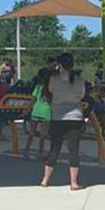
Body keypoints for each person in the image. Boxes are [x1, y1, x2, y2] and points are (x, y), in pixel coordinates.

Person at [40, 53, 85, 190]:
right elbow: (82, 96)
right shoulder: (80, 80)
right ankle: (74, 182)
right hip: (75, 117)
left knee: (54, 148)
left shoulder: (53, 79)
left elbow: (49, 91)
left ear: (59, 65)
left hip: (58, 117)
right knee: (74, 150)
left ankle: (45, 180)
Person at [24, 67, 52, 159]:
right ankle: (41, 153)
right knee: (43, 134)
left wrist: (28, 109)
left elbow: (33, 100)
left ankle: (26, 151)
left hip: (36, 111)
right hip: (46, 112)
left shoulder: (38, 88)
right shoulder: (51, 89)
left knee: (31, 133)